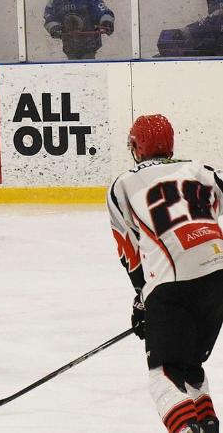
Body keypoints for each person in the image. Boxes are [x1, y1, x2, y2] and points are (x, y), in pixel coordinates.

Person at [108, 114, 223, 433]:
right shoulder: (203, 171)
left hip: (172, 286)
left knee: (164, 375)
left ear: (137, 147)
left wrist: (143, 298)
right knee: (190, 366)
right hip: (217, 279)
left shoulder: (124, 184)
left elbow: (129, 253)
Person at [43, 0, 115, 60]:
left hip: (90, 45)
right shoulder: (55, 0)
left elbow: (102, 11)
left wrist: (106, 22)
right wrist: (54, 27)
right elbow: (50, 17)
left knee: (88, 67)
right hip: (69, 46)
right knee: (73, 68)